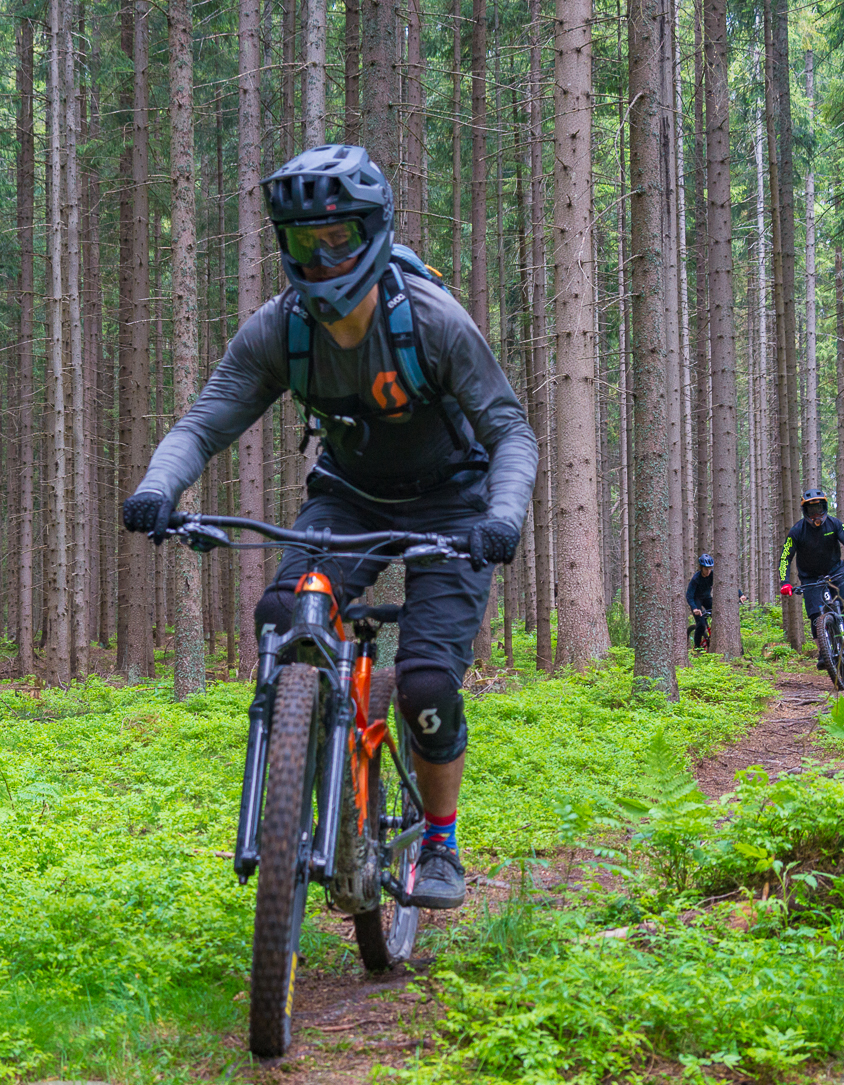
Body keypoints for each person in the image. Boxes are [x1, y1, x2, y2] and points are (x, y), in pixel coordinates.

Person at [120, 145, 539, 912]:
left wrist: (502, 517)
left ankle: (439, 841)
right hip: (348, 497)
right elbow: (204, 422)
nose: (320, 258)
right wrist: (157, 488)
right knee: (282, 616)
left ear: (372, 232)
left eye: (337, 238)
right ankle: (317, 775)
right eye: (303, 241)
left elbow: (510, 430)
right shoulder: (282, 330)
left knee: (427, 684)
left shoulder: (433, 322)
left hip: (453, 503)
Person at [778, 489, 844, 665]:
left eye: (819, 509)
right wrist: (785, 582)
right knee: (815, 615)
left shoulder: (835, 524)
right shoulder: (797, 531)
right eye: (812, 510)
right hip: (810, 577)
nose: (816, 515)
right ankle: (823, 652)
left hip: (836, 571)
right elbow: (785, 558)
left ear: (825, 508)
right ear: (805, 511)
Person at [685, 553, 714, 650]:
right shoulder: (696, 578)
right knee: (701, 624)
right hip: (696, 599)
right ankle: (697, 647)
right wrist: (694, 608)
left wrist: (740, 595)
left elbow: (728, 584)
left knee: (718, 614)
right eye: (706, 569)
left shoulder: (713, 575)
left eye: (710, 569)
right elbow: (689, 595)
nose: (708, 571)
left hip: (707, 598)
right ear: (701, 567)